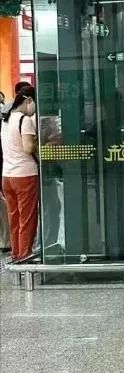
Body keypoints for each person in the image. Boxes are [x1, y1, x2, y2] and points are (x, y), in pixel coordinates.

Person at [0, 86, 39, 260]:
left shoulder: (6, 119)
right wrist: (38, 143)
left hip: (7, 176)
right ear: (28, 100)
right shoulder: (25, 120)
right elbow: (28, 147)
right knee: (27, 217)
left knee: (14, 217)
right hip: (25, 175)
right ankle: (25, 254)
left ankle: (16, 252)